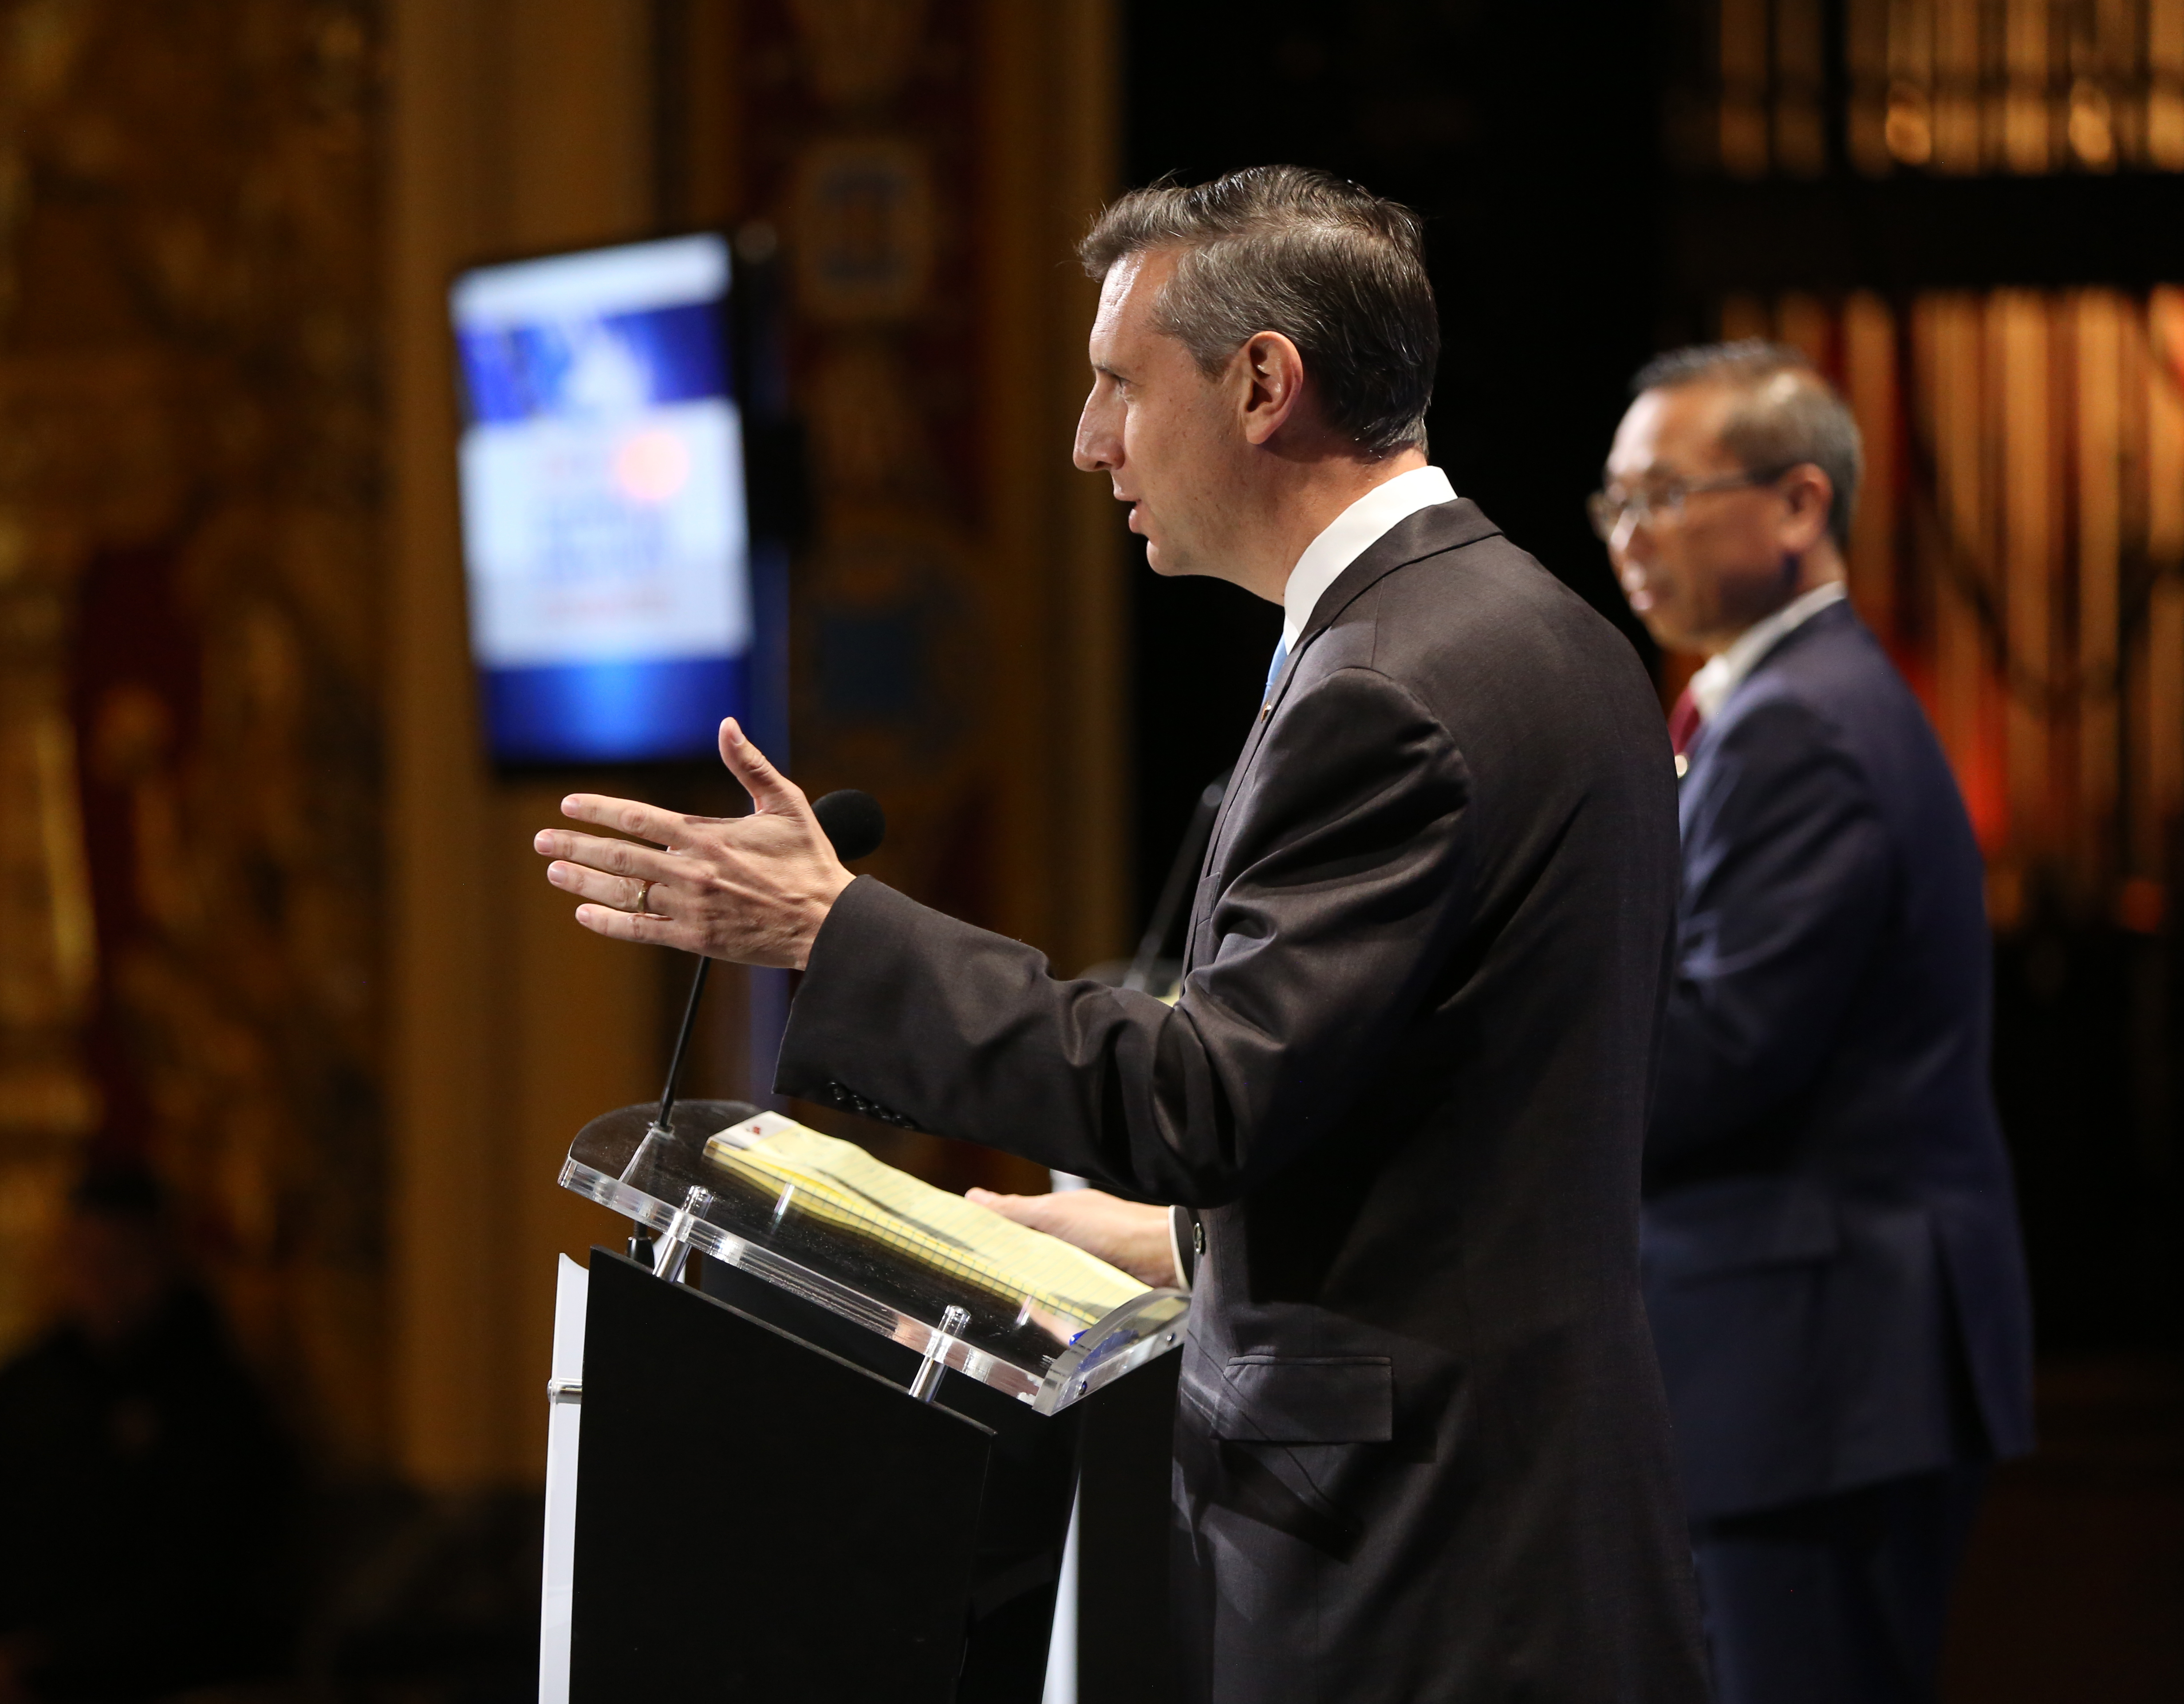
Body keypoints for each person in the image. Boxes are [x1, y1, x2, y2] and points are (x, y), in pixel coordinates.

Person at [536, 166, 1710, 1703]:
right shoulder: (1539, 632)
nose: (1090, 442)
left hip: (1418, 1560)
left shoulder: (1389, 687)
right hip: (1512, 1519)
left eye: (1115, 387)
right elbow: (1457, 1133)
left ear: (1263, 382)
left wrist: (837, 933)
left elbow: (1207, 1096)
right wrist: (1173, 1248)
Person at [1595, 342, 2034, 1703]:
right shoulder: (1782, 702)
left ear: (1797, 503)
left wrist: (1501, 1085)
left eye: (1666, 494)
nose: (1630, 536)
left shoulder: (1804, 724)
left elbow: (1720, 1051)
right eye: (1613, 503)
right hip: (1811, 1351)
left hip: (1819, 1358)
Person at [0, 1164, 296, 1704]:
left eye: (125, 1261)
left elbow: (208, 1580)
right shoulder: (20, 1395)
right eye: (87, 1261)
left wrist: (61, 1655)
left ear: (166, 1262)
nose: (105, 1283)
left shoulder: (215, 1402)